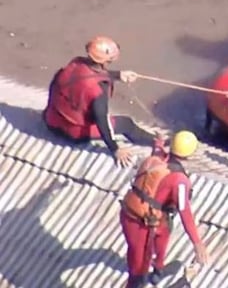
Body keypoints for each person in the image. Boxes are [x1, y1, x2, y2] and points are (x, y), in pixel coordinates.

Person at [43, 36, 153, 167]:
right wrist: (115, 149)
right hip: (72, 131)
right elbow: (102, 120)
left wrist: (118, 75)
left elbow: (87, 75)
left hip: (51, 119)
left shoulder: (75, 64)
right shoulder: (97, 90)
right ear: (106, 61)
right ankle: (156, 141)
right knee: (126, 123)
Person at [120, 130, 209, 288]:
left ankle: (157, 270)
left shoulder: (157, 159)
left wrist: (159, 142)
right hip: (144, 224)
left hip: (129, 212)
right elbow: (184, 210)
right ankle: (144, 279)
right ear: (190, 155)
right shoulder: (179, 180)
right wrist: (197, 242)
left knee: (154, 240)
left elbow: (158, 150)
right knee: (139, 267)